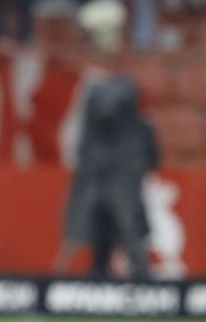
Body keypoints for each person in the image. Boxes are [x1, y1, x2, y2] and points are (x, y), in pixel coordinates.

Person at [55, 75, 157, 280]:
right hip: (98, 183)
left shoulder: (137, 130)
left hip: (121, 187)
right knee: (93, 234)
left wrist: (134, 170)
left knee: (130, 232)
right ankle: (91, 275)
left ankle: (144, 277)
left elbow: (151, 159)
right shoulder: (91, 134)